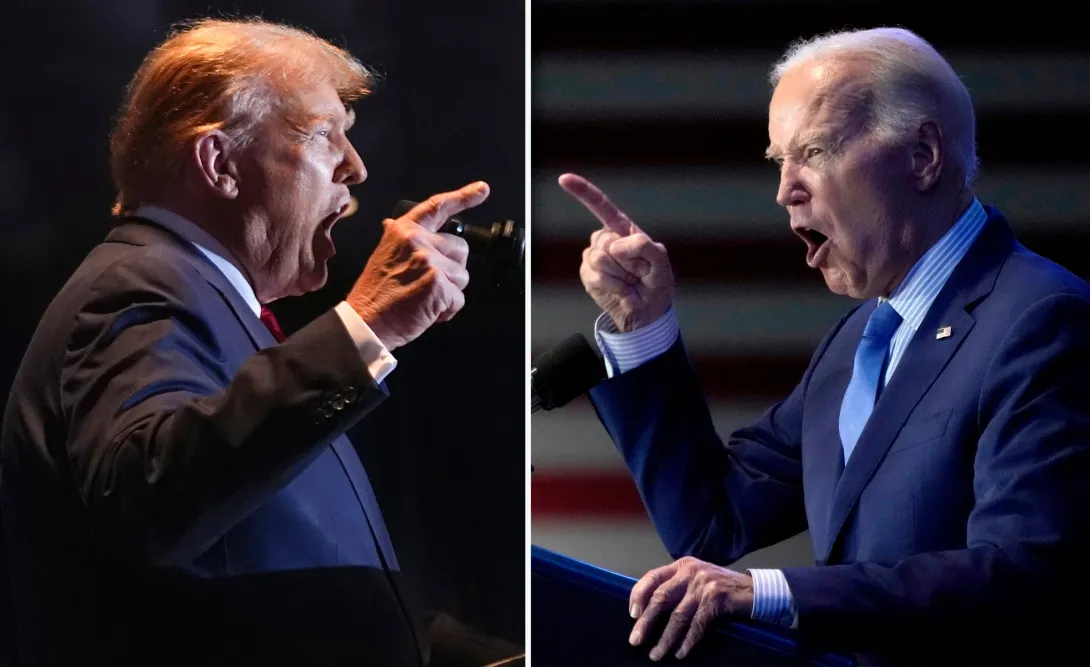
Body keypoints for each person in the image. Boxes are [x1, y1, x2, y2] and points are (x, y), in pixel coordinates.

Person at [561, 26, 1090, 665]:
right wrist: (642, 324)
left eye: (813, 151)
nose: (785, 190)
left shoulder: (1042, 319)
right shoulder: (860, 339)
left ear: (922, 155)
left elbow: (1024, 575)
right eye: (777, 161)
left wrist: (771, 593)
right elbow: (713, 519)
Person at [0, 18, 520, 667]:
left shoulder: (205, 304)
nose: (356, 168)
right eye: (323, 135)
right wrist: (366, 324)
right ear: (219, 163)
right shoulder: (138, 286)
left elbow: (266, 595)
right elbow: (152, 497)